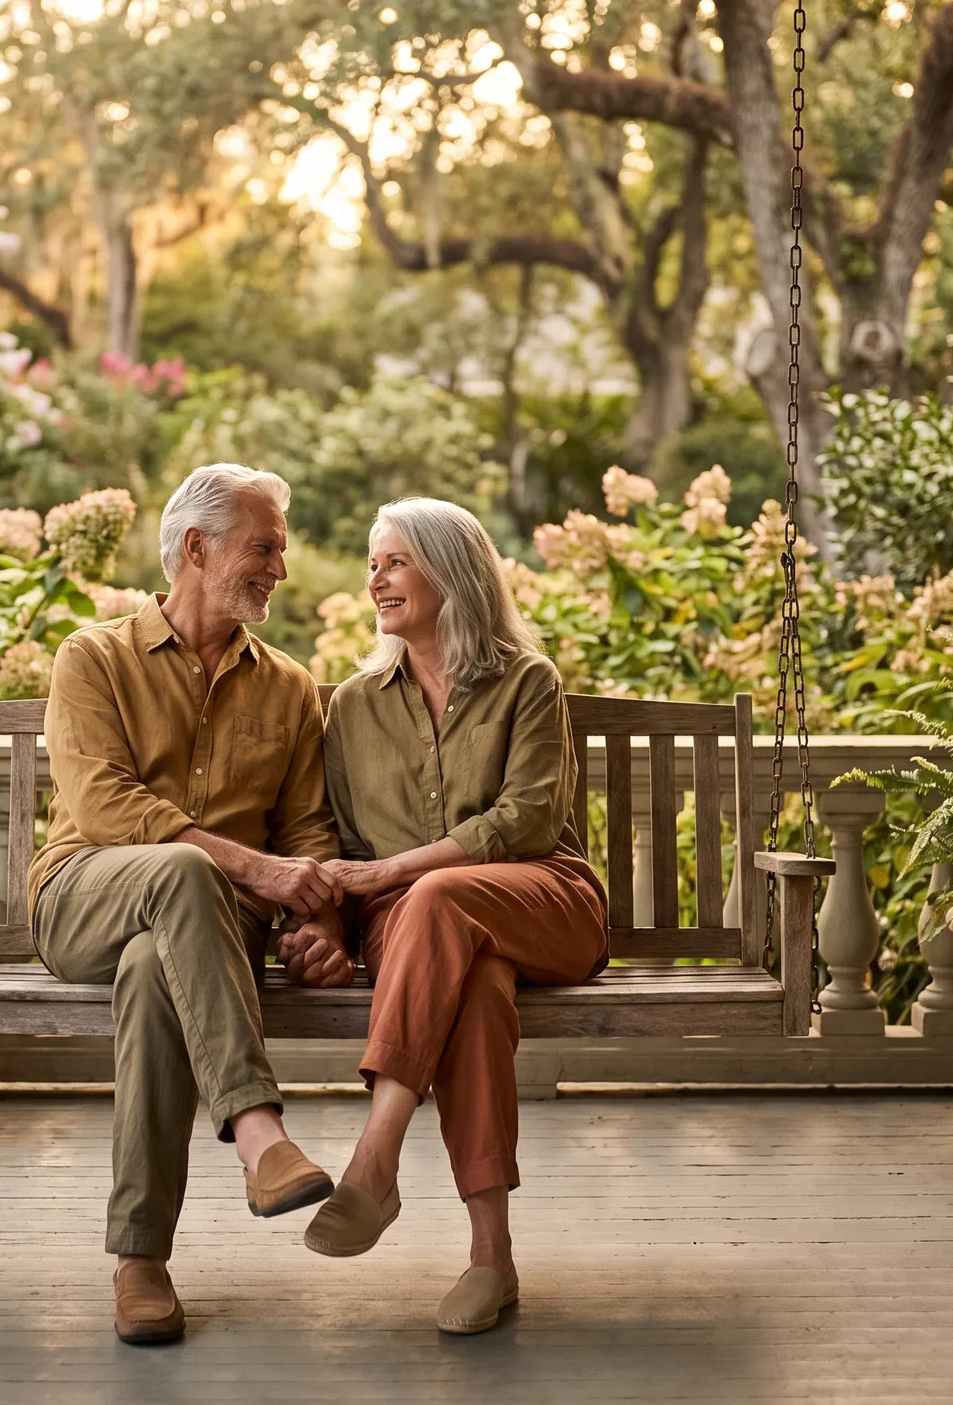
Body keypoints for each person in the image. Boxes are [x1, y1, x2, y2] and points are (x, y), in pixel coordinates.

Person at [30, 463, 355, 1346]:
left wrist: (316, 920)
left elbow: (310, 831)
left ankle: (140, 1259)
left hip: (207, 936)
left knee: (152, 968)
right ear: (197, 548)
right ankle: (259, 1133)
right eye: (264, 549)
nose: (278, 570)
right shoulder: (92, 658)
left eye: (280, 553)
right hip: (83, 895)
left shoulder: (289, 687)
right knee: (179, 871)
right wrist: (261, 873)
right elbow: (107, 810)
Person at [300, 497, 609, 1336]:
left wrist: (401, 868)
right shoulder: (354, 706)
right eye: (373, 563)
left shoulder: (526, 681)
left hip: (542, 896)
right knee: (473, 991)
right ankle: (492, 1260)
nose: (376, 579)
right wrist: (329, 926)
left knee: (439, 894)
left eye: (395, 561)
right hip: (416, 934)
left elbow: (527, 821)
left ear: (453, 569)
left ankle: (377, 1152)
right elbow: (333, 837)